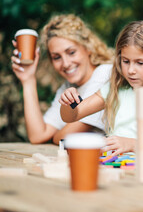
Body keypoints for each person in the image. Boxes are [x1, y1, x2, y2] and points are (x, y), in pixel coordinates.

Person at [59, 20, 143, 157]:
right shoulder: (115, 89)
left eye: (140, 63)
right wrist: (68, 102)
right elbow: (71, 116)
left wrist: (132, 144)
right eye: (126, 61)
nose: (130, 70)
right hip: (113, 167)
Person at [11, 14, 114, 145]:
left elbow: (64, 137)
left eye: (71, 52)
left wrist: (56, 136)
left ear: (88, 48)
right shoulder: (68, 87)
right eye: (56, 57)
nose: (65, 63)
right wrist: (28, 79)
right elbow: (38, 135)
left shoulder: (106, 74)